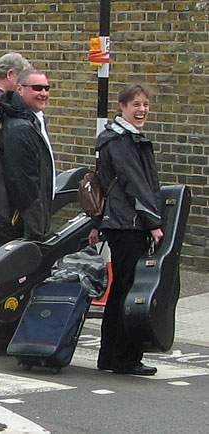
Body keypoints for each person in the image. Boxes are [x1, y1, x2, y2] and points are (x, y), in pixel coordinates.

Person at [0, 69, 55, 355]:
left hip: (8, 216)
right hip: (10, 219)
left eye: (47, 87)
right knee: (11, 279)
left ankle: (1, 335)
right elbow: (24, 182)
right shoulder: (20, 127)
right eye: (37, 88)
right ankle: (2, 337)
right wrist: (36, 228)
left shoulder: (26, 120)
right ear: (20, 89)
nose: (43, 93)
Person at [88, 84, 163, 376]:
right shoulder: (121, 141)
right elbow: (134, 183)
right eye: (135, 104)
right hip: (127, 224)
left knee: (120, 289)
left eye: (145, 104)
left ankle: (110, 356)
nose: (142, 110)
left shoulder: (120, 139)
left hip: (119, 223)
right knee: (128, 291)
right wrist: (153, 223)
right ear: (122, 106)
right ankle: (124, 359)